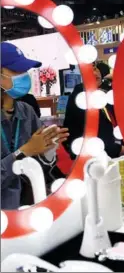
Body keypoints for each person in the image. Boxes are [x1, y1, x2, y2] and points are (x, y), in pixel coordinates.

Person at [1, 42, 69, 209]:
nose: (24, 75)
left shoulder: (27, 111)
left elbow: (42, 167)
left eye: (25, 70)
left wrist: (48, 151)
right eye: (16, 71)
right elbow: (26, 151)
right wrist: (23, 152)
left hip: (29, 206)